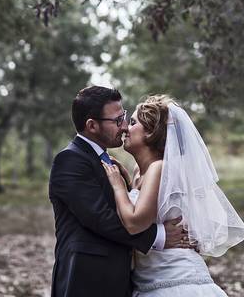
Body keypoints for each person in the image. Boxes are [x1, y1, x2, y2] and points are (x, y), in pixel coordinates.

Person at [49, 86, 192, 297]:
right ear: (92, 125)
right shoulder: (71, 160)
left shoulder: (112, 163)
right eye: (117, 121)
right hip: (86, 279)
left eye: (124, 117)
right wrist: (158, 235)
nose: (124, 126)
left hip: (122, 279)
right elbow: (101, 218)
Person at [101, 94, 244, 295]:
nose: (125, 127)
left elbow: (135, 223)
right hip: (148, 281)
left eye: (133, 122)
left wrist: (118, 187)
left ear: (151, 132)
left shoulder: (159, 168)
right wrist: (126, 182)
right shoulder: (138, 171)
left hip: (175, 280)